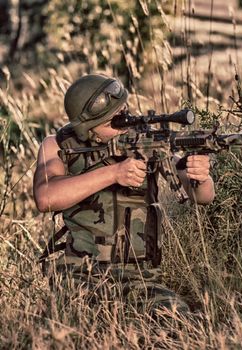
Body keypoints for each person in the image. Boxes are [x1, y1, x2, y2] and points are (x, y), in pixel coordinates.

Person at [33, 74, 215, 315]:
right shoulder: (57, 145)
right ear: (89, 130)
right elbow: (45, 197)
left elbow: (203, 197)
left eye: (125, 112)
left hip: (140, 278)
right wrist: (114, 173)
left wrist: (200, 176)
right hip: (79, 275)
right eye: (114, 121)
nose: (125, 122)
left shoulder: (145, 141)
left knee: (180, 320)